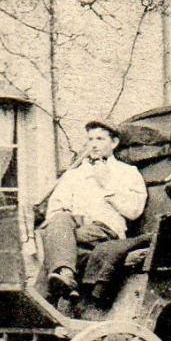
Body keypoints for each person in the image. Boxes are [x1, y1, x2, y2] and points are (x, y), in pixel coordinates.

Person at [39, 120, 147, 311]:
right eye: (90, 139)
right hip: (77, 230)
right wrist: (72, 219)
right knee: (59, 220)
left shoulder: (128, 173)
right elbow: (56, 209)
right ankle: (65, 274)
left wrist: (107, 184)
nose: (94, 144)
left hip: (106, 232)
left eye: (100, 139)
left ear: (114, 143)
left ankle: (45, 301)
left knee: (58, 244)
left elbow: (134, 211)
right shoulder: (74, 175)